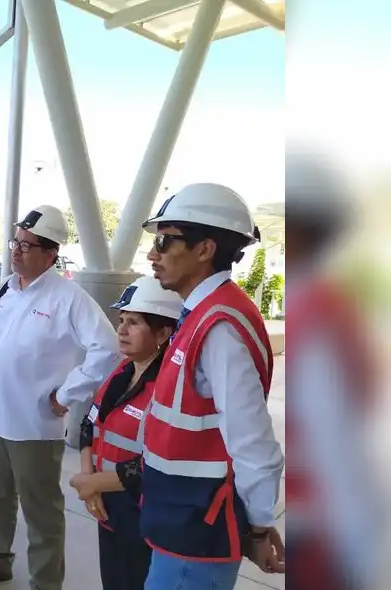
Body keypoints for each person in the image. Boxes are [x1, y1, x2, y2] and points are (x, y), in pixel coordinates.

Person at [0, 205, 121, 590]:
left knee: (41, 510)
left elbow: (108, 348)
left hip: (33, 425)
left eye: (27, 245)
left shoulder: (68, 297)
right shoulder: (6, 288)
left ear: (50, 253)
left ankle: (45, 583)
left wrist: (67, 394)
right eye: (16, 241)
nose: (16, 250)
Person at [139, 183, 285, 589]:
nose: (152, 254)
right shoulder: (204, 312)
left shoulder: (219, 325)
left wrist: (257, 527)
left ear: (204, 249)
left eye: (165, 241)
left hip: (197, 531)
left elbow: (252, 441)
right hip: (182, 516)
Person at [284, 150, 381, 590]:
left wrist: (355, 548)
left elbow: (335, 442)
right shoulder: (325, 303)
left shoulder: (315, 312)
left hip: (317, 531)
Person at [67, 276, 183, 590]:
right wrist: (89, 478)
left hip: (143, 518)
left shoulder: (171, 389)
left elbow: (159, 463)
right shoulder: (121, 371)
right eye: (121, 320)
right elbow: (89, 425)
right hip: (108, 508)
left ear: (163, 333)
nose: (121, 329)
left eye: (133, 322)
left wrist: (93, 483)